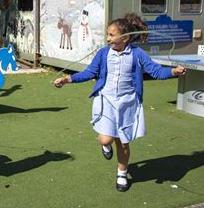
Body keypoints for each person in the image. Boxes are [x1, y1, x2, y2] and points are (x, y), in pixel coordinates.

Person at [53, 13, 186, 192]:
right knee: (105, 138)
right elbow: (89, 72)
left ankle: (121, 174)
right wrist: (68, 79)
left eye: (112, 35)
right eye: (107, 34)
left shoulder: (137, 54)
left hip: (127, 103)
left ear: (125, 38)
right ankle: (106, 145)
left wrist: (173, 72)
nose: (108, 38)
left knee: (123, 142)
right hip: (106, 101)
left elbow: (155, 71)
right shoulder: (103, 53)